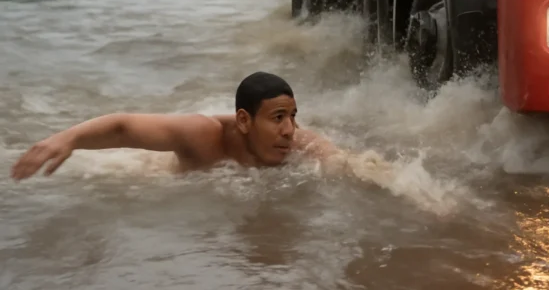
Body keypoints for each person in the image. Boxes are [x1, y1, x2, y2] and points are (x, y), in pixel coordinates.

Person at [11, 72, 342, 181]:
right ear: (244, 121)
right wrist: (66, 139)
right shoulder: (203, 135)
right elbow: (124, 127)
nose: (289, 130)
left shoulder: (297, 143)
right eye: (278, 117)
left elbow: (349, 163)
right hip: (153, 175)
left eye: (293, 117)